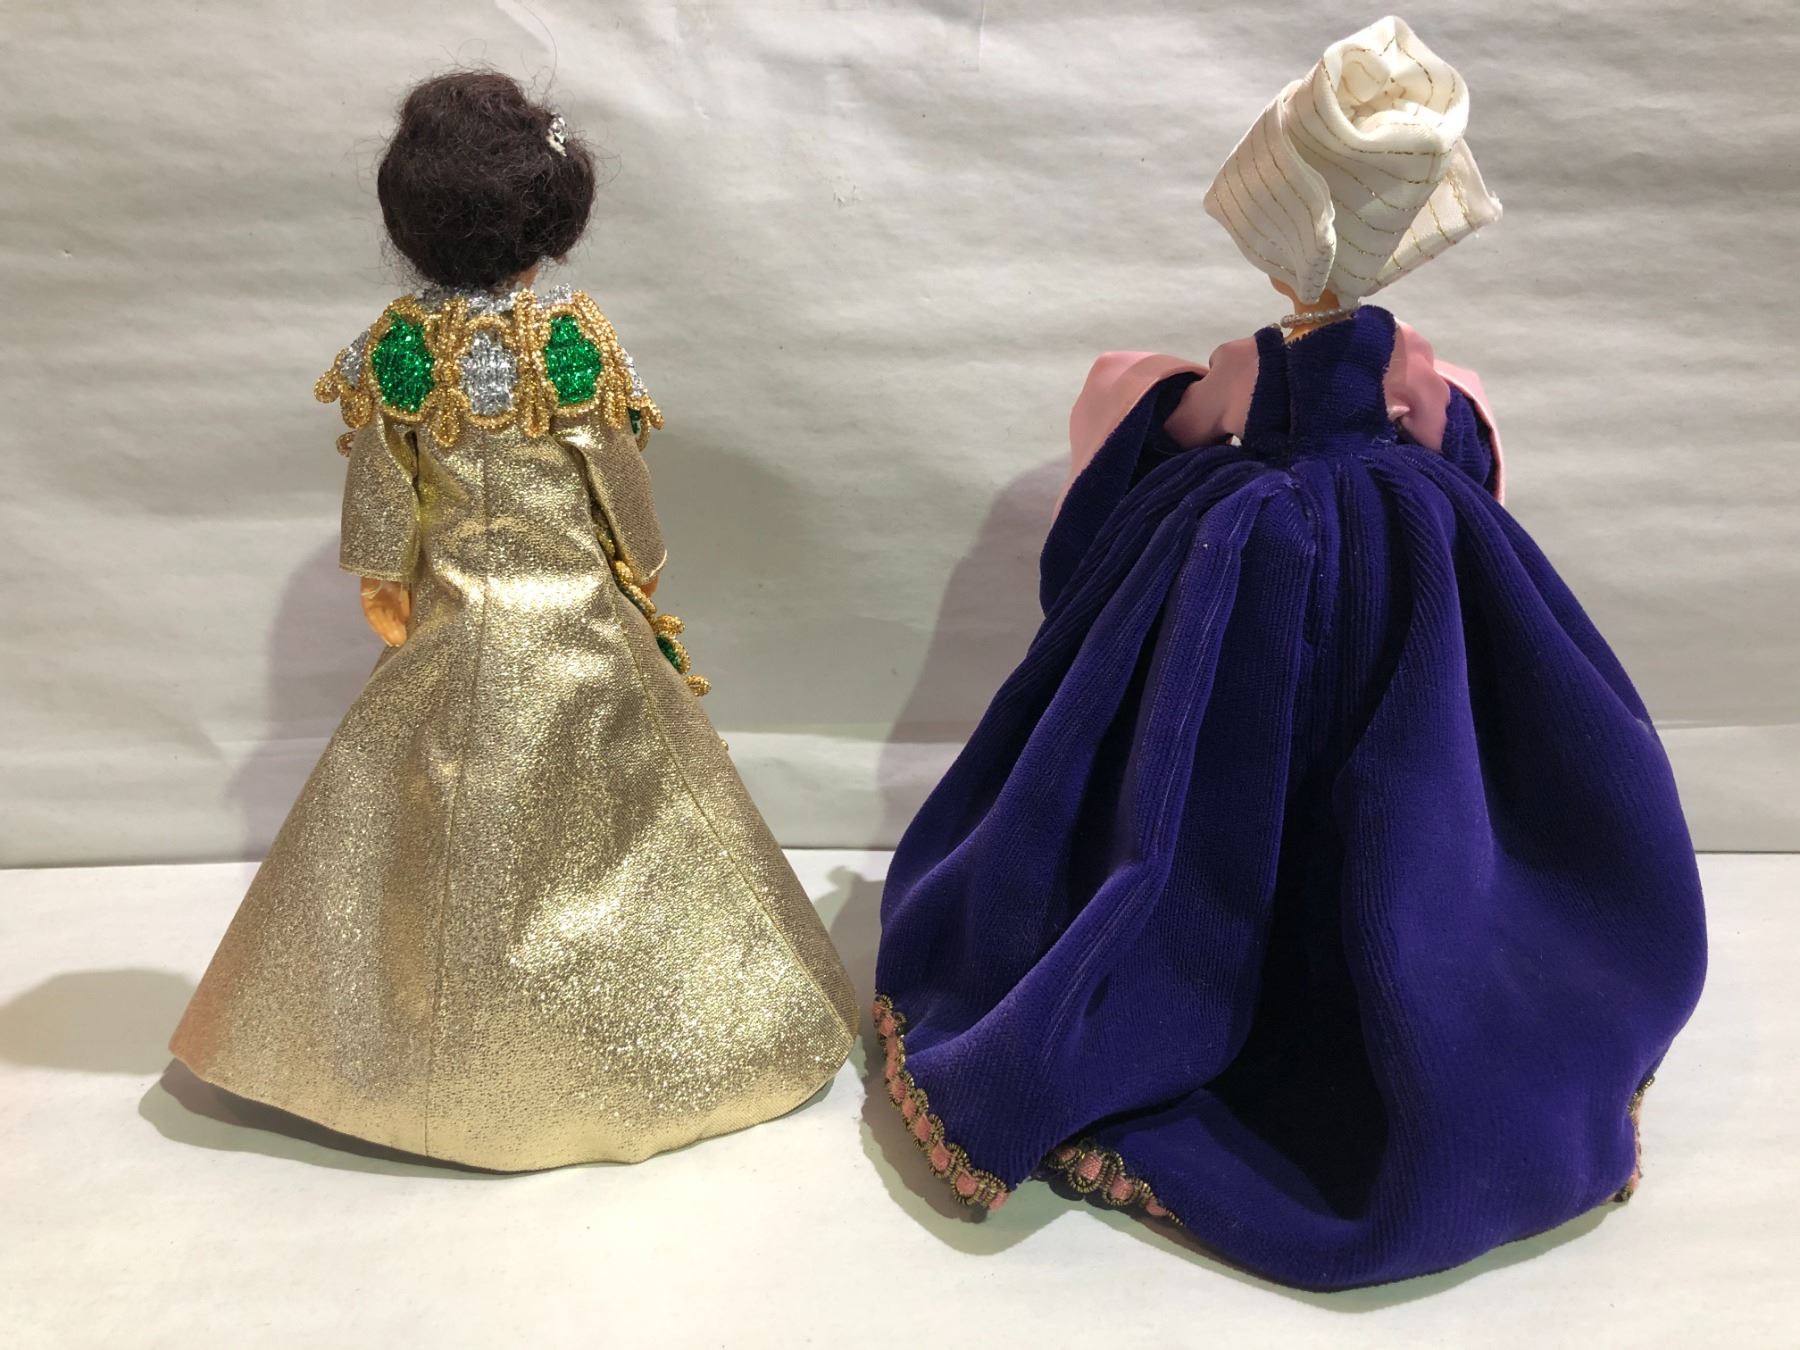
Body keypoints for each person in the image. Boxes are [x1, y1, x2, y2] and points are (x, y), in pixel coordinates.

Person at [873, 17, 1706, 1289]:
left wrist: (1190, 415)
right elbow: (1467, 456)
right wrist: (1421, 440)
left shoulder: (1254, 374)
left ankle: (1242, 983)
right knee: (1344, 781)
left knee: (1272, 783)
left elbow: (1137, 458)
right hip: (1359, 552)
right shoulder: (1409, 374)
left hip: (1264, 561)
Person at [171, 72, 857, 1171]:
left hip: (456, 619)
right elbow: (612, 469)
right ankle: (639, 1040)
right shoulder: (567, 338)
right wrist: (641, 563)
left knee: (432, 817)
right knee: (629, 825)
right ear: (550, 221)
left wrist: (386, 579)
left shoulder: (398, 346)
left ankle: (407, 1056)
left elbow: (382, 484)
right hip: (579, 619)